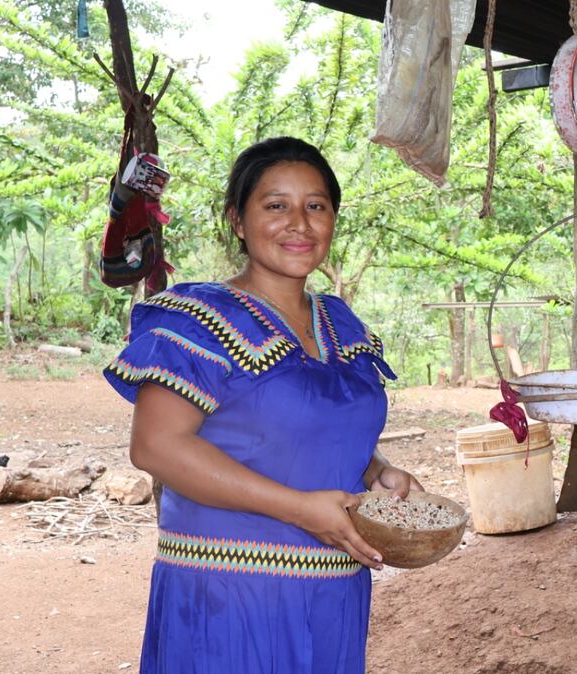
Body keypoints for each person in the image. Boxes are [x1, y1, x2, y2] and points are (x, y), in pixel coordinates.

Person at [104, 136, 423, 673]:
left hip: (333, 594)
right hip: (229, 596)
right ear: (237, 219)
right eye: (276, 205)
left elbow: (313, 431)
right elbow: (155, 447)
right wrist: (301, 510)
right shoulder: (195, 319)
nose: (299, 222)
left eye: (315, 206)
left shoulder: (339, 324)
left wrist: (380, 473)